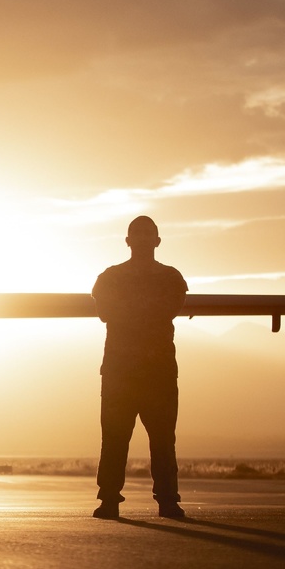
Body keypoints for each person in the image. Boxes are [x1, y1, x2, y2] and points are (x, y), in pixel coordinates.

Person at [91, 216, 189, 520]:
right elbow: (106, 311)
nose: (144, 239)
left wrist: (130, 310)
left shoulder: (170, 278)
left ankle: (167, 500)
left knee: (162, 439)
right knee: (116, 438)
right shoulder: (110, 277)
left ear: (157, 241)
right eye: (139, 233)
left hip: (155, 372)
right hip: (123, 371)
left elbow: (168, 308)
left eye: (149, 234)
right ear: (129, 241)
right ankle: (110, 499)